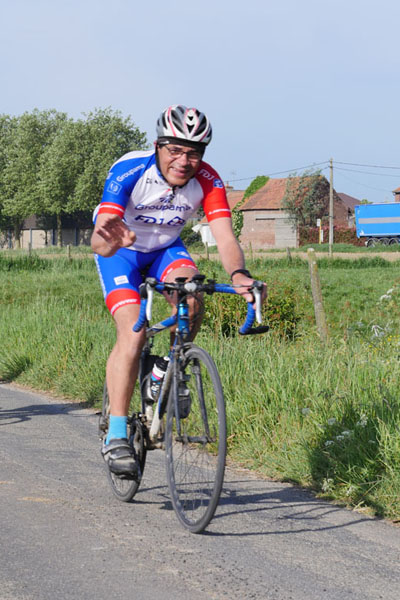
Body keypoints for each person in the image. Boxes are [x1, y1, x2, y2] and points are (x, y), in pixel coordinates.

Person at [91, 104, 266, 476]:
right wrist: (111, 240)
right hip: (121, 254)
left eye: (194, 153)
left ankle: (168, 370)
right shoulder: (130, 169)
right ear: (158, 146)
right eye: (175, 150)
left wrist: (239, 275)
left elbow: (225, 237)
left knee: (193, 294)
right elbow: (99, 240)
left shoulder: (209, 180)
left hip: (165, 249)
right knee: (133, 333)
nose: (184, 161)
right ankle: (117, 434)